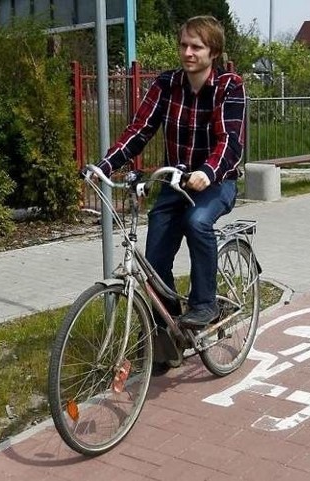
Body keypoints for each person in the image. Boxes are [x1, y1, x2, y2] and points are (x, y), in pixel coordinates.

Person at [94, 15, 246, 374]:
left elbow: (230, 141)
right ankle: (170, 338)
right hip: (174, 182)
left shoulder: (229, 85)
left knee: (197, 222)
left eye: (197, 46)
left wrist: (208, 172)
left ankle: (205, 303)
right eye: (184, 45)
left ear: (214, 52)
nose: (188, 52)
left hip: (216, 181)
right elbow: (140, 129)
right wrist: (105, 165)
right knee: (154, 262)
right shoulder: (167, 84)